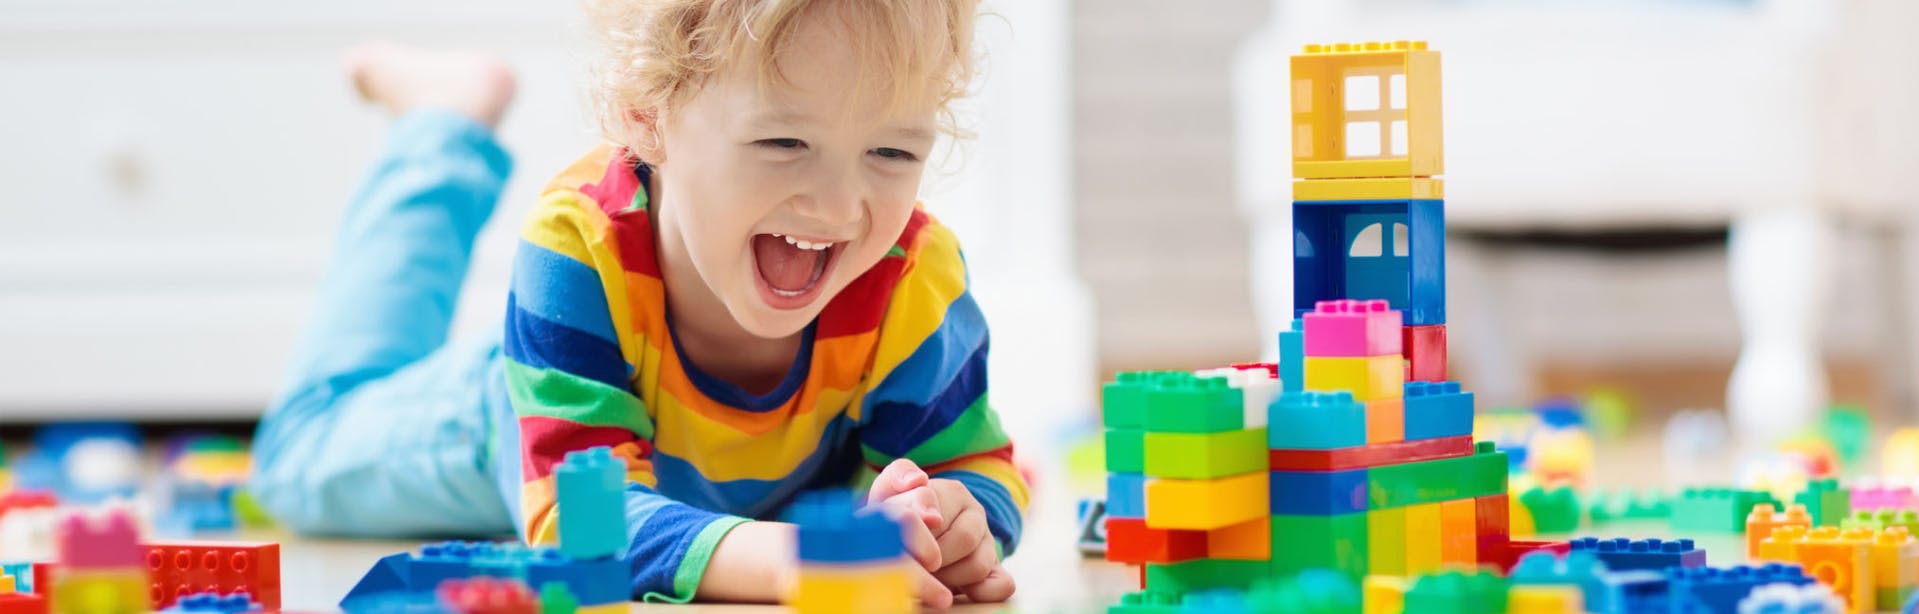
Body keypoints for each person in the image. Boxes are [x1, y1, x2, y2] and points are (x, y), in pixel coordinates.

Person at [249, 0, 1024, 608]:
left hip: (657, 446)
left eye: (891, 152)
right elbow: (580, 523)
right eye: (783, 143)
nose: (837, 206)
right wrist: (790, 560)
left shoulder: (912, 279)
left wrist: (957, 521)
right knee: (299, 456)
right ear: (645, 115)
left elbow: (974, 465)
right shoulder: (577, 246)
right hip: (508, 411)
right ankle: (442, 128)